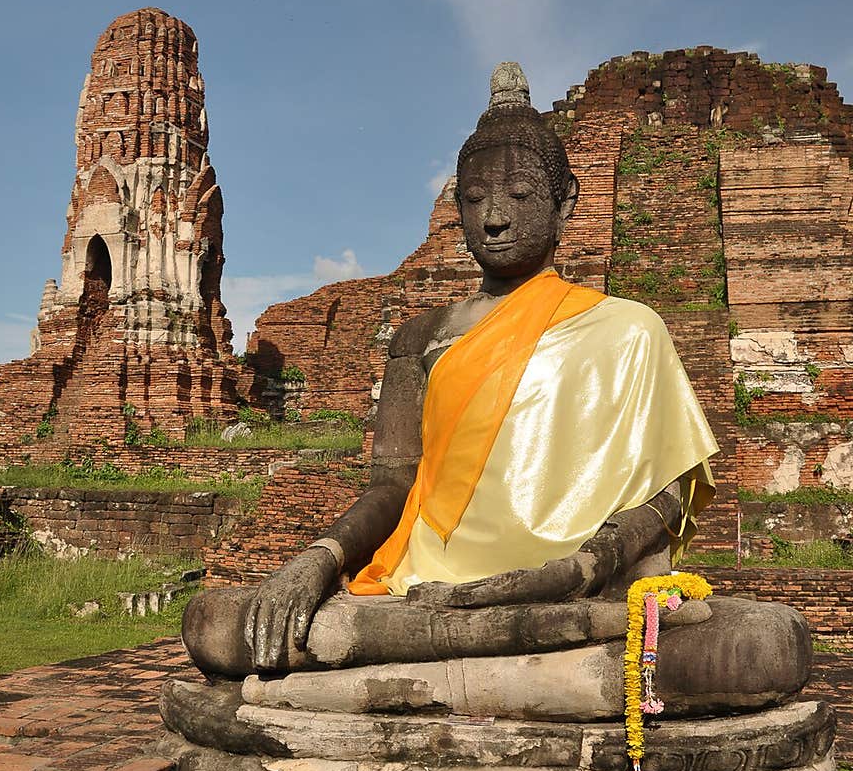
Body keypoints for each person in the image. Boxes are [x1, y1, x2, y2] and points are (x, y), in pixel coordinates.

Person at [186, 63, 718, 677]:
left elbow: (666, 494)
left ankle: (519, 634)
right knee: (217, 626)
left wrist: (583, 567)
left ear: (565, 200)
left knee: (751, 651)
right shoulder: (422, 337)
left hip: (566, 587)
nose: (493, 217)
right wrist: (318, 559)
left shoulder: (629, 329)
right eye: (473, 199)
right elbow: (393, 487)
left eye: (518, 196)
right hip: (428, 591)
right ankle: (523, 656)